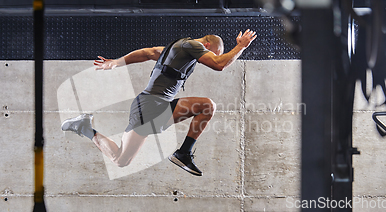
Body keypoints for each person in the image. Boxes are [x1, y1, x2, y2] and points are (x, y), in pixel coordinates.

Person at [62, 29, 257, 176]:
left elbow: (148, 53)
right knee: (207, 106)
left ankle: (85, 128)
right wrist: (241, 46)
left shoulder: (177, 49)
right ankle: (183, 153)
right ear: (206, 45)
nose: (208, 58)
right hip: (150, 105)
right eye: (212, 53)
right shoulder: (193, 45)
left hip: (154, 106)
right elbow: (219, 64)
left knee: (121, 160)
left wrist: (117, 62)